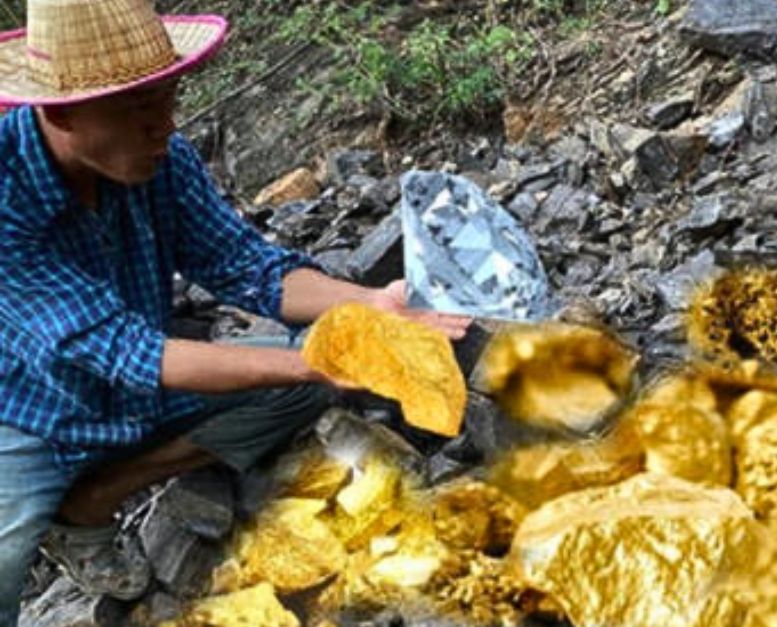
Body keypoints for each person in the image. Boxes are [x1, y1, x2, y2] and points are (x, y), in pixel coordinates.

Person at [0, 0, 471, 621]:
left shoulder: (160, 157)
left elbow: (246, 267)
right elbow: (128, 351)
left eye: (169, 99)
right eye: (141, 109)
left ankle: (92, 503)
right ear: (60, 112)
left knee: (296, 393)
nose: (165, 126)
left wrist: (369, 305)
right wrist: (316, 359)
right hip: (30, 417)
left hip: (141, 394)